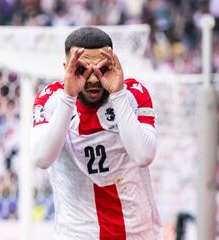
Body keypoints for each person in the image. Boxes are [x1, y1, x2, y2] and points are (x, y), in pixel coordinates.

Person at [31, 26, 161, 240]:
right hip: (77, 234)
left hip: (136, 233)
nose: (92, 79)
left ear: (114, 65)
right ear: (67, 68)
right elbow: (41, 158)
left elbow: (144, 156)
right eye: (82, 69)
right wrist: (69, 97)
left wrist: (118, 95)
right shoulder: (51, 100)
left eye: (102, 68)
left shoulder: (132, 95)